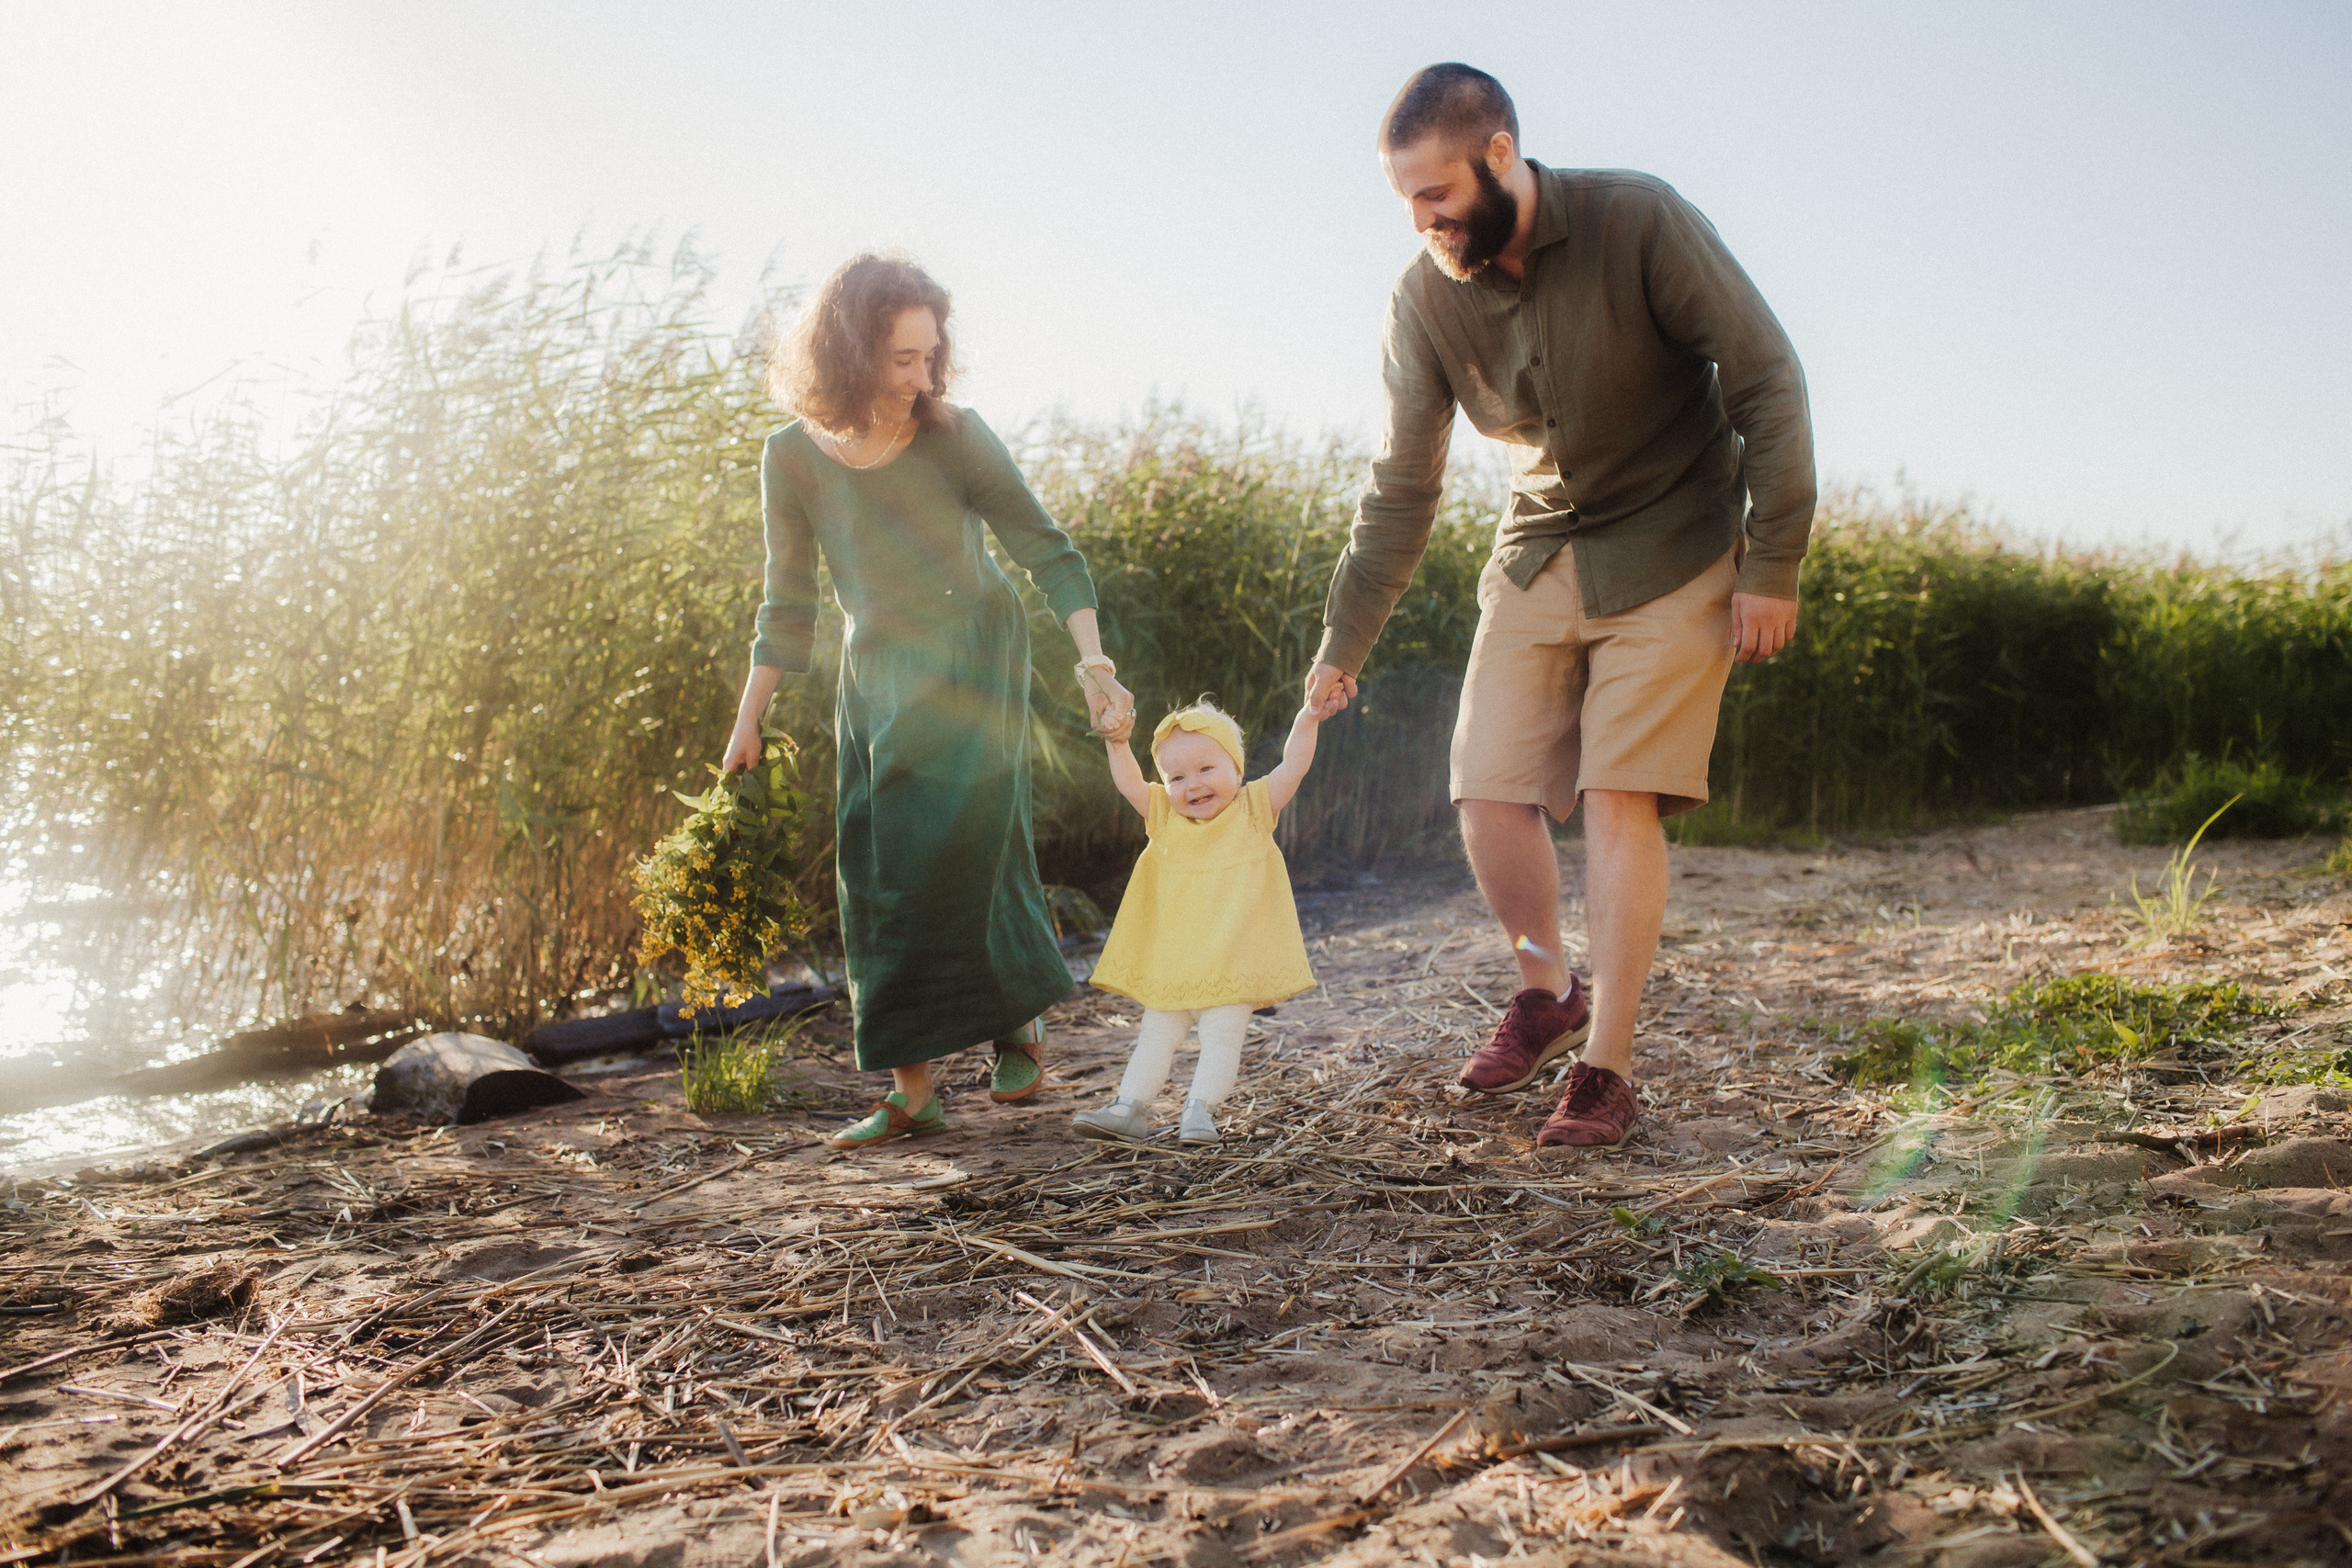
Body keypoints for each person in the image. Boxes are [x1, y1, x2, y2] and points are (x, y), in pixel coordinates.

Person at [1304, 65, 1815, 1148]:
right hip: (1541, 546)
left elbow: (1767, 380)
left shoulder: (1639, 220)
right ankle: (1548, 988)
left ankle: (1605, 1068)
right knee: (1485, 787)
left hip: (1676, 543)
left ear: (1499, 155)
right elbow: (1405, 482)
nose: (1422, 220)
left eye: (1435, 192)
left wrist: (1772, 564)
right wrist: (1344, 641)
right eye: (1404, 200)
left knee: (1615, 793)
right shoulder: (1427, 295)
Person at [723, 252, 1136, 1150]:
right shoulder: (790, 457)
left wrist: (1095, 663)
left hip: (976, 656)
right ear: (843, 351)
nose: (921, 378)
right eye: (901, 359)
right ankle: (912, 1090)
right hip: (878, 676)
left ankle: (1014, 1024)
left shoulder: (956, 434)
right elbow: (786, 603)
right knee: (878, 872)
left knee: (968, 843)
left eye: (929, 357)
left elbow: (1045, 548)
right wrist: (747, 718)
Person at [1072, 694, 1339, 1146]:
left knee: (1221, 1040)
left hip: (1231, 963)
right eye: (1176, 776)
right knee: (1153, 1037)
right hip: (1176, 965)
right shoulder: (1164, 817)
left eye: (1206, 769)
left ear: (1237, 769)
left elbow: (1293, 765)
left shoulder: (1254, 810)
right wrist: (1117, 743)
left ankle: (1200, 1110)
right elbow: (1131, 784)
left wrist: (1308, 716)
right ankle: (1129, 1108)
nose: (1192, 785)